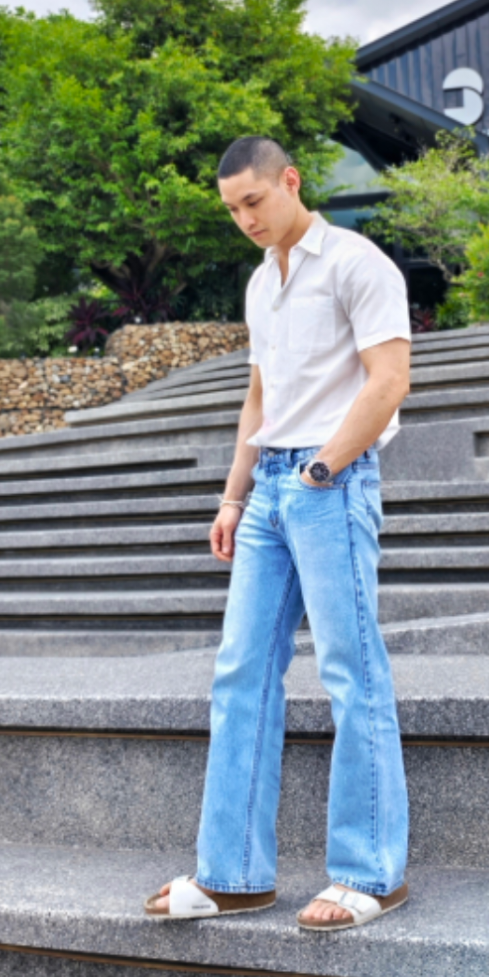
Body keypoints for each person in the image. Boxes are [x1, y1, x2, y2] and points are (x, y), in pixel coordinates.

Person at [144, 135, 412, 931]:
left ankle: (372, 873)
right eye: (231, 209)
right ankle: (231, 874)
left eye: (252, 201)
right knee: (239, 674)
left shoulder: (359, 263)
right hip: (269, 490)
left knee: (350, 671)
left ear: (289, 182)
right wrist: (233, 496)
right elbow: (258, 397)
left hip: (330, 481)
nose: (243, 219)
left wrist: (324, 469)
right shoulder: (262, 284)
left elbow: (390, 377)